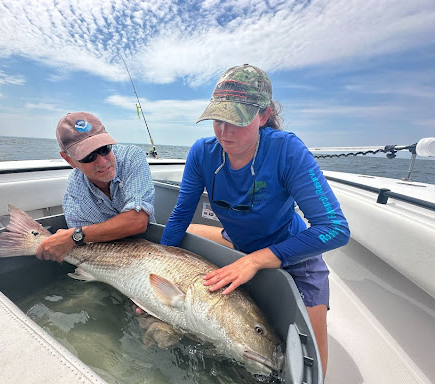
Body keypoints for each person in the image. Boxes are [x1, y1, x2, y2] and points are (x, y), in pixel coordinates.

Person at [160, 64, 350, 377]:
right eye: (218, 119)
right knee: (185, 233)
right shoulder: (201, 153)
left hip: (294, 255)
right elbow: (180, 215)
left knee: (309, 367)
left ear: (264, 116)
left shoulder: (288, 150)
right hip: (238, 244)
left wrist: (257, 261)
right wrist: (162, 265)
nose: (224, 132)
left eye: (237, 120)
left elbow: (335, 230)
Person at [36, 112, 155, 261]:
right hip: (105, 258)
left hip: (151, 250)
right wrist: (72, 238)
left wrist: (73, 236)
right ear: (69, 160)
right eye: (88, 156)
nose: (102, 162)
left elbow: (137, 222)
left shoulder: (131, 157)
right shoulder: (75, 189)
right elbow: (87, 246)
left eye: (104, 149)